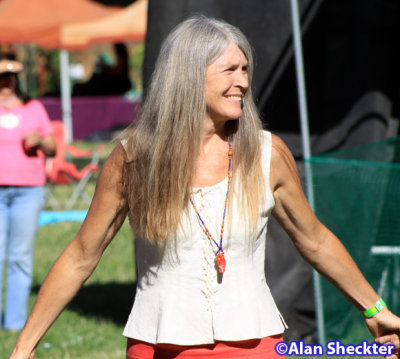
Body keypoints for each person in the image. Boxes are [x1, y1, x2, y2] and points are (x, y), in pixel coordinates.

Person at [9, 15, 400, 359]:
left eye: (246, 69)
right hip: (156, 347)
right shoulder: (133, 159)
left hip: (255, 346)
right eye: (230, 70)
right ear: (190, 74)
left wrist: (374, 309)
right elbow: (81, 255)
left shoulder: (267, 154)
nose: (243, 82)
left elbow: (314, 239)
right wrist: (23, 349)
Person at [0, 53, 56, 331]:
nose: (7, 82)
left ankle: (14, 323)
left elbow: (53, 148)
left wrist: (41, 140)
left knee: (20, 257)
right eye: (2, 77)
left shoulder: (33, 107)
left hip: (27, 191)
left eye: (10, 77)